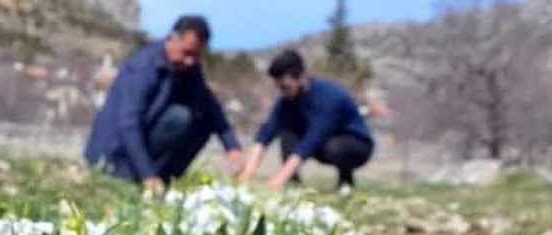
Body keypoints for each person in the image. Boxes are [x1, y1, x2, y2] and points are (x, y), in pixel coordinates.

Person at [84, 15, 245, 197]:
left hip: (145, 141)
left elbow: (210, 106)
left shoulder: (188, 67)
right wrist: (148, 174)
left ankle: (163, 181)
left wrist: (232, 146)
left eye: (196, 56)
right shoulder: (143, 68)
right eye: (187, 53)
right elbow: (128, 125)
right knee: (180, 117)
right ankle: (139, 179)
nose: (190, 61)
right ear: (172, 40)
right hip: (112, 154)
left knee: (203, 122)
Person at [239, 49, 374, 195]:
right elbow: (266, 133)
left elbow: (312, 140)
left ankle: (346, 181)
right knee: (287, 130)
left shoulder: (329, 97)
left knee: (334, 148)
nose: (283, 92)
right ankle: (293, 184)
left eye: (286, 87)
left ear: (301, 78)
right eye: (279, 88)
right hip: (322, 142)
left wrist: (278, 180)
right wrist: (247, 173)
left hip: (356, 144)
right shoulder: (286, 101)